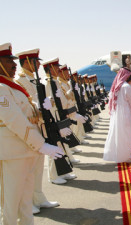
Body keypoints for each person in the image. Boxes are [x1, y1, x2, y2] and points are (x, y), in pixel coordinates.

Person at [0, 43, 64, 224]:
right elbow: (16, 121)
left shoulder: (12, 87)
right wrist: (41, 144)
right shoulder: (1, 88)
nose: (14, 66)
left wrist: (40, 107)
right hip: (13, 152)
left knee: (26, 200)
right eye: (8, 61)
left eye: (13, 62)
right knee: (11, 202)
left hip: (26, 150)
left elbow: (28, 112)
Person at [15, 48, 60, 214]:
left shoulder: (34, 80)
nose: (39, 65)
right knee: (27, 170)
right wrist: (40, 106)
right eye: (36, 62)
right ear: (26, 62)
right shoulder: (20, 81)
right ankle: (27, 202)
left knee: (38, 167)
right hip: (28, 129)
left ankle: (38, 197)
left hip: (39, 128)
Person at [103, 58, 131, 163]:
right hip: (125, 113)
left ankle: (120, 155)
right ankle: (127, 156)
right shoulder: (126, 87)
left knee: (119, 135)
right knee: (127, 135)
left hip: (116, 114)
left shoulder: (115, 87)